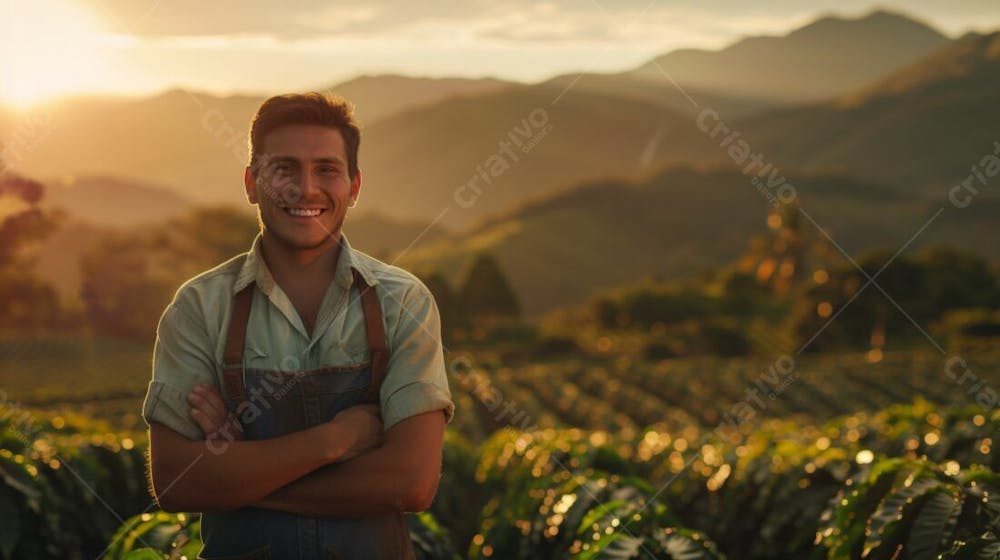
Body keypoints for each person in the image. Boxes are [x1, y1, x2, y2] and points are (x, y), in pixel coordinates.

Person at [141, 92, 455, 559]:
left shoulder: (402, 302)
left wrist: (238, 478)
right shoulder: (199, 307)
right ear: (252, 183)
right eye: (283, 168)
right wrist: (335, 440)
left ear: (354, 185)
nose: (305, 189)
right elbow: (176, 483)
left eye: (326, 169)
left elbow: (410, 485)